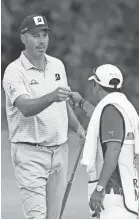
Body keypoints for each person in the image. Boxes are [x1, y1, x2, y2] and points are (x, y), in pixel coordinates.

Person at [2, 14, 85, 219]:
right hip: (30, 154)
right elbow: (25, 108)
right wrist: (51, 96)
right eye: (35, 35)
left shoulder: (57, 65)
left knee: (54, 217)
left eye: (44, 35)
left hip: (59, 152)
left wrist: (78, 128)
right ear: (23, 38)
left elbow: (63, 103)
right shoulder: (14, 72)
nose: (41, 41)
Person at [70, 64, 139, 219]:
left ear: (96, 85)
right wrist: (81, 102)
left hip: (112, 194)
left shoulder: (111, 110)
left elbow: (113, 151)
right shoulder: (123, 106)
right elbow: (101, 118)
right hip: (126, 193)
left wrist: (99, 189)